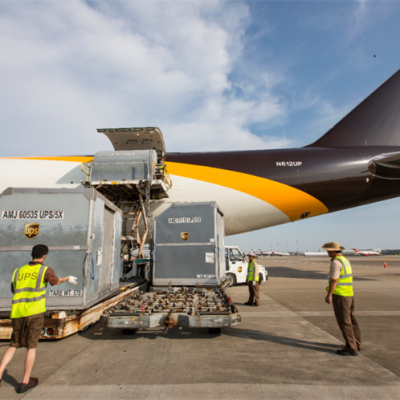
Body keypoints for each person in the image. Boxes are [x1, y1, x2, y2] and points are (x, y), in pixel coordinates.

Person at [0, 244, 78, 393]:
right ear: (44, 257)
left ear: (31, 255)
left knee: (13, 344)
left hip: (17, 312)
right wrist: (67, 278)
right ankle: (25, 381)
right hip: (34, 312)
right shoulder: (44, 270)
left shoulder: (18, 271)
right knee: (31, 347)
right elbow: (55, 282)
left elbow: (13, 289)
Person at [322, 241, 361, 356]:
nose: (328, 253)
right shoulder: (345, 260)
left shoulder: (336, 262)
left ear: (334, 251)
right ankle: (356, 344)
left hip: (340, 296)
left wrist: (329, 294)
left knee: (344, 322)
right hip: (349, 294)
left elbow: (334, 280)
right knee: (352, 320)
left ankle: (350, 348)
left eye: (328, 250)